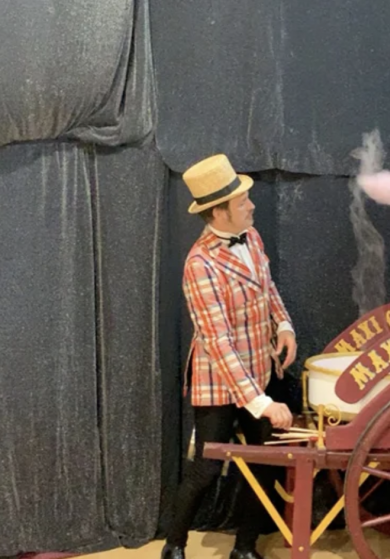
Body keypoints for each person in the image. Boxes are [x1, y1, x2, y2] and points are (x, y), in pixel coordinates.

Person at [161, 153, 297, 559]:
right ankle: (174, 545)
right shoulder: (199, 265)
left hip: (259, 368)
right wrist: (262, 403)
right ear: (219, 212)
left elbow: (267, 288)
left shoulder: (251, 237)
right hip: (219, 381)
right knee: (206, 467)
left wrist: (283, 324)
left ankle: (245, 548)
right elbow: (218, 343)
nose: (251, 206)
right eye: (242, 202)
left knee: (265, 462)